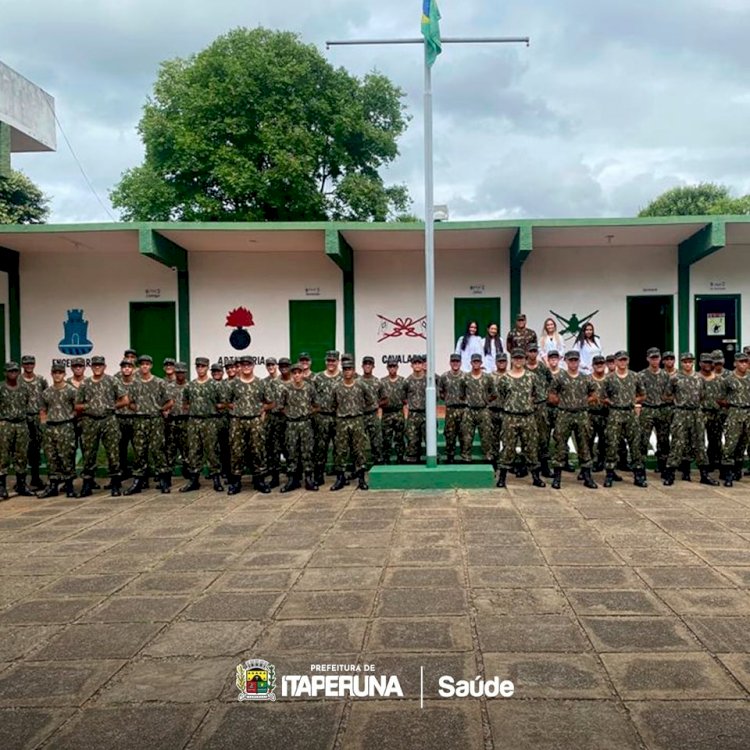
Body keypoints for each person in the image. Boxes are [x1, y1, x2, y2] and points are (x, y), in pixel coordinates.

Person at [75, 355, 128, 497]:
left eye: (100, 365)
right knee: (89, 453)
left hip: (108, 420)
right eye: (95, 365)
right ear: (91, 367)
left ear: (104, 366)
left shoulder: (112, 381)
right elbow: (77, 405)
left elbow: (125, 400)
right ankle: (87, 484)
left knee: (113, 452)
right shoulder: (85, 384)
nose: (97, 367)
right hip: (90, 421)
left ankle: (116, 483)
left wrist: (111, 406)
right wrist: (89, 406)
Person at [662, 353, 718, 487]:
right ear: (681, 363)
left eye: (690, 362)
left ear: (693, 363)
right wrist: (678, 401)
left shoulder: (699, 378)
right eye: (685, 362)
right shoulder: (675, 378)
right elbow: (666, 395)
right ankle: (670, 474)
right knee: (677, 442)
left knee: (699, 442)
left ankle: (704, 474)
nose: (687, 364)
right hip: (681, 413)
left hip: (696, 413)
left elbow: (703, 396)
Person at [495, 349, 546, 488]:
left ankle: (536, 477)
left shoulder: (531, 377)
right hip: (510, 417)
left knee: (531, 447)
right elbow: (501, 395)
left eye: (521, 358)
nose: (518, 361)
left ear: (525, 359)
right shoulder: (504, 378)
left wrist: (528, 405)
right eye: (516, 358)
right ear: (512, 360)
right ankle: (502, 478)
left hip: (527, 417)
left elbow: (538, 395)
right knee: (508, 448)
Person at [123, 355, 173, 495]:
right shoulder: (135, 383)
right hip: (139, 421)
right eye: (142, 364)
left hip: (155, 420)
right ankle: (138, 481)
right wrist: (138, 410)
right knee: (139, 451)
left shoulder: (159, 382)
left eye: (147, 364)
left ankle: (163, 480)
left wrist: (159, 409)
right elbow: (129, 401)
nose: (144, 366)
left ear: (151, 366)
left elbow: (169, 401)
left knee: (158, 449)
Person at [548, 351, 597, 490]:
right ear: (566, 361)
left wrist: (582, 402)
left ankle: (587, 476)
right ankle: (557, 477)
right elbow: (551, 395)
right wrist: (563, 403)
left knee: (584, 445)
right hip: (564, 414)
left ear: (579, 361)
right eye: (571, 360)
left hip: (581, 414)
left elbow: (594, 394)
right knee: (560, 446)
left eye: (576, 360)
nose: (573, 363)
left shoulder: (585, 378)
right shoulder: (560, 377)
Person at [224, 355, 273, 495]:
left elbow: (270, 402)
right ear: (240, 366)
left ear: (253, 365)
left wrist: (261, 410)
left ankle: (259, 481)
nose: (246, 367)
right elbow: (226, 402)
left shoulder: (261, 383)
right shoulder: (233, 384)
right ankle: (236, 482)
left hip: (255, 421)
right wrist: (237, 409)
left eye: (248, 364)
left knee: (257, 450)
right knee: (236, 451)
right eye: (243, 364)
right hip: (237, 421)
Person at [602, 351, 647, 488]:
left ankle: (638, 475)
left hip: (630, 413)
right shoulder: (609, 378)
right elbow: (603, 397)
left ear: (628, 361)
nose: (622, 362)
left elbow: (643, 395)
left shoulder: (635, 376)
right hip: (615, 413)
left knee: (635, 444)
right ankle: (610, 474)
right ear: (615, 362)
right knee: (612, 444)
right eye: (619, 360)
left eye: (624, 360)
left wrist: (633, 400)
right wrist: (612, 403)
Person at [330, 357, 374, 491]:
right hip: (342, 421)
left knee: (359, 450)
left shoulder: (361, 385)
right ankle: (340, 478)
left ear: (354, 371)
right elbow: (333, 404)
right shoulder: (336, 386)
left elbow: (370, 401)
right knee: (341, 450)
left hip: (357, 420)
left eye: (350, 369)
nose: (347, 372)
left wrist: (359, 411)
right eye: (345, 369)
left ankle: (361, 478)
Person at [180, 357, 223, 493]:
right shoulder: (190, 385)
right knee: (193, 451)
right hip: (193, 421)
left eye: (203, 366)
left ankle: (216, 479)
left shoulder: (215, 385)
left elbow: (221, 403)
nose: (200, 369)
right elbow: (185, 403)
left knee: (212, 450)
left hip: (210, 421)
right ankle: (194, 480)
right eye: (198, 366)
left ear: (207, 368)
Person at [38, 363, 78, 499]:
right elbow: (43, 411)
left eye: (60, 372)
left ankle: (69, 486)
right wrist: (44, 427)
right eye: (55, 372)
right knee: (51, 457)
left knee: (67, 456)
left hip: (65, 426)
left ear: (64, 374)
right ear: (51, 374)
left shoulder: (71, 391)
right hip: (50, 427)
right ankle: (53, 486)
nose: (57, 375)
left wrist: (70, 417)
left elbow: (77, 407)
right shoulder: (46, 392)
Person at [278, 361, 318, 492]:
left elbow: (317, 405)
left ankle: (308, 478)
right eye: (294, 373)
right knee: (292, 451)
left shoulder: (309, 388)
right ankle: (292, 479)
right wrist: (291, 414)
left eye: (299, 373)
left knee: (307, 451)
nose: (296, 375)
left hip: (305, 423)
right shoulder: (286, 388)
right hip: (291, 424)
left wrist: (306, 412)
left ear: (303, 374)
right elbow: (281, 406)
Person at [0, 362, 32, 499]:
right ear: (5, 373)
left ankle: (21, 484)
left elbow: (27, 404)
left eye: (15, 371)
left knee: (22, 455)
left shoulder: (24, 388)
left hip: (21, 424)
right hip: (5, 424)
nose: (13, 373)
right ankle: (1, 486)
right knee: (3, 455)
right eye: (10, 371)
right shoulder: (0, 387)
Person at [719, 351, 750, 486]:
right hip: (734, 412)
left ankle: (738, 469)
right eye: (740, 362)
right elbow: (720, 398)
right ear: (735, 363)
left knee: (744, 443)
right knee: (731, 443)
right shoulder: (728, 379)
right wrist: (731, 406)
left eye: (745, 361)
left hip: (748, 412)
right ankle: (727, 473)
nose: (743, 364)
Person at [638, 348, 671, 475]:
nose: (655, 360)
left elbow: (669, 393)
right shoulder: (641, 375)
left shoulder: (665, 375)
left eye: (657, 358)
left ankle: (663, 466)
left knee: (663, 440)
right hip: (647, 409)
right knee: (643, 440)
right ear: (647, 359)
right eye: (652, 358)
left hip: (662, 410)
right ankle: (640, 467)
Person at [312, 351, 341, 485]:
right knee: (320, 448)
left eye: (333, 360)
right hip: (322, 417)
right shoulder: (318, 378)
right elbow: (310, 397)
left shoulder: (343, 377)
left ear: (338, 361)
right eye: (329, 360)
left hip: (338, 417)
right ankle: (319, 475)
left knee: (339, 447)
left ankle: (340, 476)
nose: (331, 363)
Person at [20, 354, 48, 490]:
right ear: (22, 365)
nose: (29, 366)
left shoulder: (41, 380)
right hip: (23, 418)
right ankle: (21, 481)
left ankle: (35, 478)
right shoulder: (18, 380)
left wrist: (44, 417)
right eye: (26, 364)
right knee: (21, 450)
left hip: (37, 417)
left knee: (36, 449)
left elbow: (46, 398)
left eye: (31, 363)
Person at [461, 353, 495, 465]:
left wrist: (485, 401)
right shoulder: (465, 377)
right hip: (469, 410)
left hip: (483, 410)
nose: (476, 364)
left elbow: (493, 394)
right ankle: (466, 457)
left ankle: (488, 456)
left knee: (486, 435)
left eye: (478, 362)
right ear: (471, 363)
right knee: (466, 436)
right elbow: (462, 395)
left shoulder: (487, 377)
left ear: (481, 363)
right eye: (474, 362)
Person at [526, 343, 553, 477]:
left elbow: (551, 381)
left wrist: (546, 394)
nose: (532, 354)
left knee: (543, 436)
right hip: (527, 406)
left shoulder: (542, 367)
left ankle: (545, 466)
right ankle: (527, 466)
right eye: (530, 351)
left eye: (534, 351)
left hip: (541, 405)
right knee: (527, 436)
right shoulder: (523, 367)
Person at [439, 353, 466, 464]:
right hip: (450, 409)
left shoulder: (465, 376)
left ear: (460, 363)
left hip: (463, 409)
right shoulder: (444, 376)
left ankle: (465, 457)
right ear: (450, 363)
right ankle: (450, 457)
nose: (455, 363)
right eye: (453, 361)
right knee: (450, 434)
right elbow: (441, 392)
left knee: (464, 434)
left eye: (457, 361)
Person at [263, 357, 286, 488]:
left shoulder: (283, 380)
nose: (271, 367)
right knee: (273, 449)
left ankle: (293, 475)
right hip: (271, 419)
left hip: (284, 418)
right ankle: (275, 477)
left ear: (276, 366)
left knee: (288, 447)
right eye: (268, 365)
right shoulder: (264, 382)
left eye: (272, 364)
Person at [699, 353, 723, 473]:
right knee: (699, 440)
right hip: (700, 413)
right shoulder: (695, 378)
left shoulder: (719, 380)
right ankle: (703, 464)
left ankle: (713, 463)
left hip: (716, 413)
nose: (707, 365)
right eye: (705, 362)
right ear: (700, 364)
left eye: (710, 362)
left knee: (715, 440)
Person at [165, 362, 190, 478]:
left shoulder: (190, 387)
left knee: (187, 448)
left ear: (185, 373)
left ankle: (188, 471)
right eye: (178, 372)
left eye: (182, 372)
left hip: (186, 421)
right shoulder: (168, 387)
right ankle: (167, 475)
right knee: (170, 448)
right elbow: (163, 402)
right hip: (172, 420)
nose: (180, 374)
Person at [380, 356, 406, 464]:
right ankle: (386, 460)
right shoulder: (382, 382)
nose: (392, 368)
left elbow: (406, 398)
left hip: (398, 413)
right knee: (386, 439)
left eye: (394, 366)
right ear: (387, 368)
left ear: (397, 367)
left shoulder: (403, 381)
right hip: (387, 414)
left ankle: (400, 459)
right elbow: (379, 398)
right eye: (390, 366)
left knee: (399, 439)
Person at [360, 355, 385, 465]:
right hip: (360, 416)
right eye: (366, 364)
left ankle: (378, 463)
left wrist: (376, 404)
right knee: (359, 443)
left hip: (373, 414)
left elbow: (385, 399)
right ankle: (360, 466)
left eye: (370, 364)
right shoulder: (357, 381)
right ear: (362, 366)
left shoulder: (378, 382)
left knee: (377, 442)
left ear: (373, 366)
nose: (367, 366)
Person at [115, 359, 137, 481]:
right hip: (120, 419)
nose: (126, 369)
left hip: (134, 419)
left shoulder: (138, 384)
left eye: (129, 366)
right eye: (124, 367)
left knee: (138, 448)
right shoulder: (116, 384)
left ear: (133, 369)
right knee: (120, 448)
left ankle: (140, 475)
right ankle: (121, 472)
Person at [404, 355, 427, 463]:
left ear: (423, 365)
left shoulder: (429, 380)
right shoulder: (407, 381)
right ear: (411, 365)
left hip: (426, 414)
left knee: (430, 440)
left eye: (419, 363)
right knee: (412, 441)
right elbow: (403, 397)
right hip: (413, 415)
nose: (417, 365)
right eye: (415, 363)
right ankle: (413, 464)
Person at [588, 355, 609, 472]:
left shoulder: (610, 379)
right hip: (590, 414)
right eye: (597, 364)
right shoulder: (587, 379)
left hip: (605, 414)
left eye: (601, 363)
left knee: (604, 441)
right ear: (593, 366)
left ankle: (601, 463)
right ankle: (587, 466)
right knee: (588, 441)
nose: (599, 366)